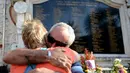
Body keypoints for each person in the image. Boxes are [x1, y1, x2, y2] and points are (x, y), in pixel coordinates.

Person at [3, 21, 84, 73]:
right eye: (51, 39)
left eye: (60, 45)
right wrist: (49, 54)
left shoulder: (70, 58)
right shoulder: (21, 53)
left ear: (68, 47)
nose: (53, 46)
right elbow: (7, 57)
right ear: (46, 35)